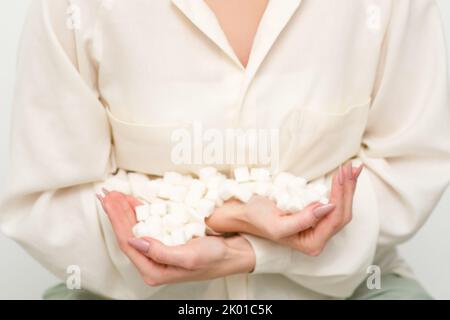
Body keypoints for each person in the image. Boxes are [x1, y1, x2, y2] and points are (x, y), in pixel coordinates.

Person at [1, 0, 449, 300]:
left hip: (349, 289)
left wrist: (250, 253)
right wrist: (224, 215)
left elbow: (410, 170)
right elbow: (47, 204)